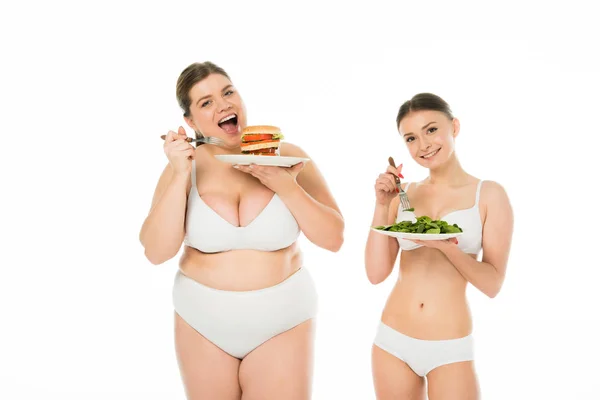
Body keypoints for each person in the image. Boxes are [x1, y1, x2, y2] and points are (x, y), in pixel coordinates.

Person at [139, 61, 344, 400]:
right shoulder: (184, 167)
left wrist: (285, 185)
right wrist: (178, 174)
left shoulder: (288, 157)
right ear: (190, 122)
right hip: (201, 323)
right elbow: (156, 252)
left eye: (228, 92)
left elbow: (334, 238)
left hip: (283, 321)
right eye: (206, 102)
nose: (224, 105)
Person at [365, 93, 514, 399]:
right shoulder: (402, 193)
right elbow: (376, 273)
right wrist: (382, 205)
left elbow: (493, 284)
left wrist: (449, 249)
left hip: (450, 346)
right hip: (392, 340)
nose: (423, 145)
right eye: (411, 138)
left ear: (454, 126)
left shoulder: (489, 195)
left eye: (431, 130)